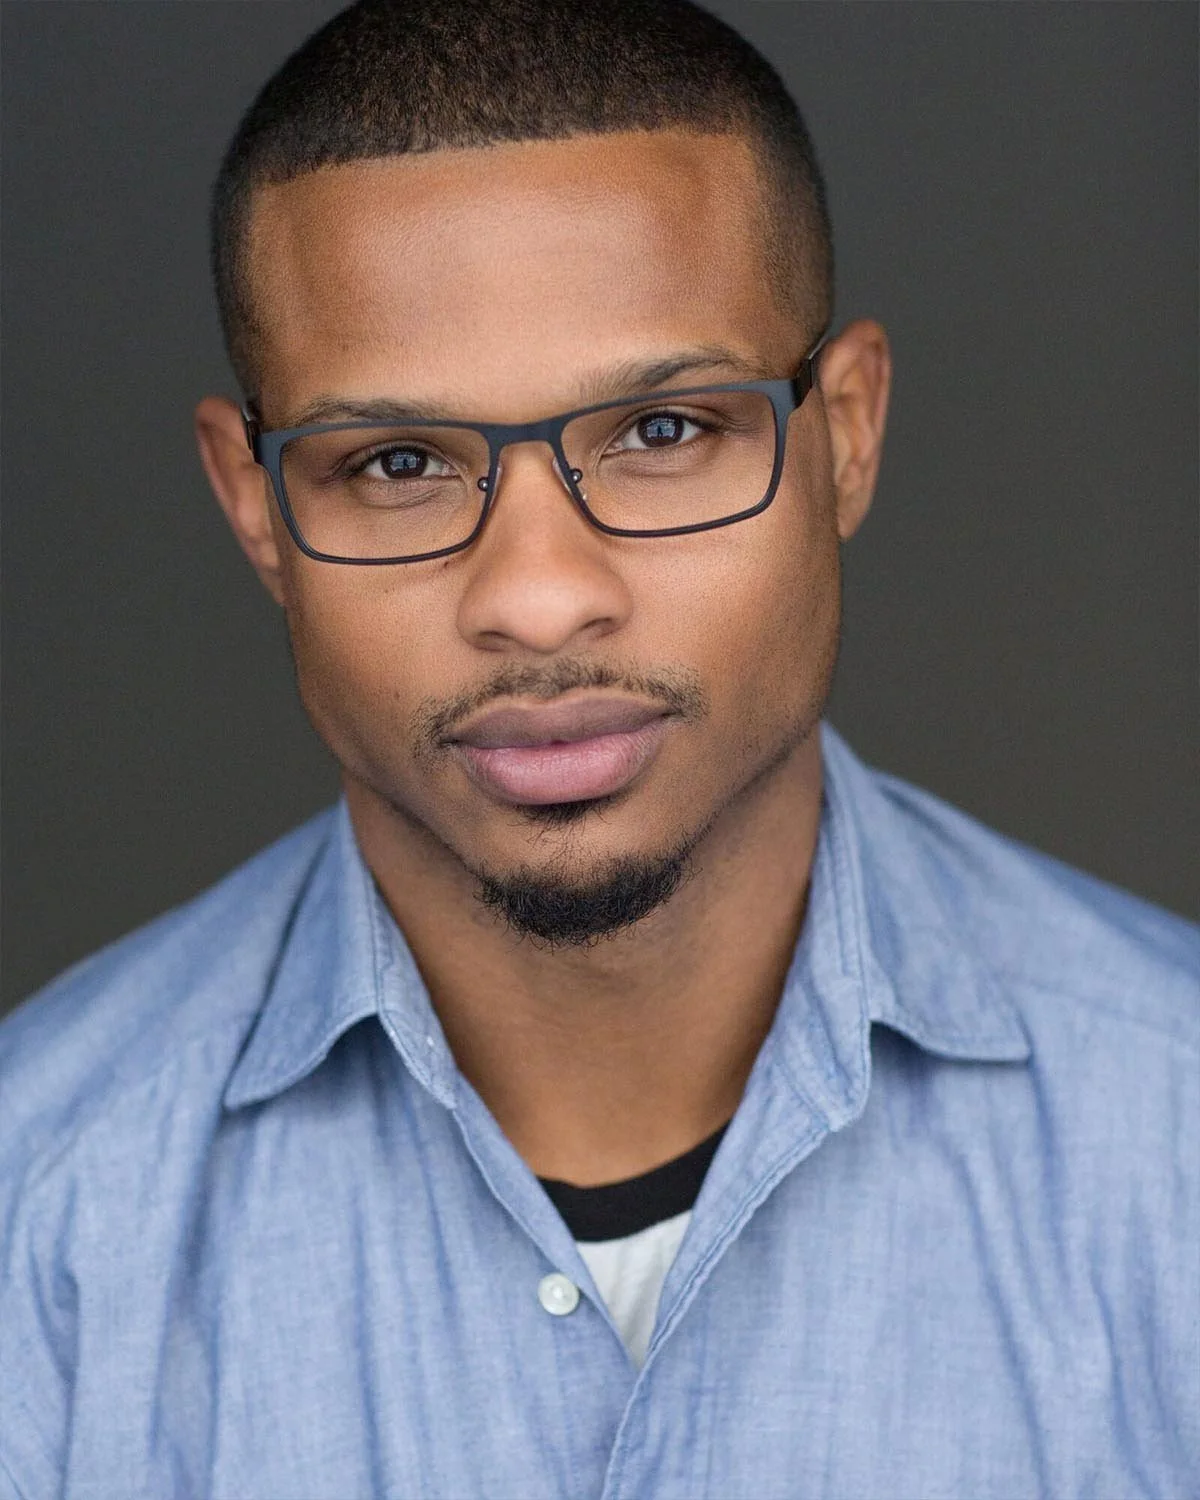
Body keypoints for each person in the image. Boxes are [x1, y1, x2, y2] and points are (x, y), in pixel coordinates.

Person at [1, 0, 1195, 1494]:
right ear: (255, 511)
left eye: (665, 431)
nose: (538, 595)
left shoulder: (1179, 1139)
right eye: (396, 464)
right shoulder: (33, 1219)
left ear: (847, 433)